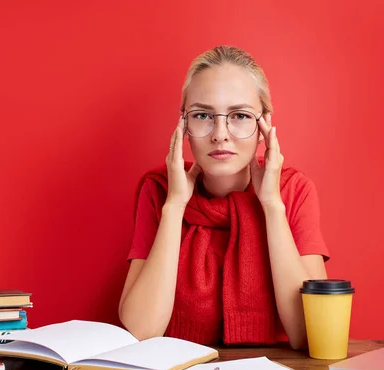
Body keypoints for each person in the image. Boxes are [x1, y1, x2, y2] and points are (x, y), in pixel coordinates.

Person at [118, 46, 329, 349]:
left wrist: (271, 205)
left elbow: (308, 334)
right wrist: (175, 206)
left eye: (240, 115)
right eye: (202, 115)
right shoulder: (159, 190)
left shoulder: (294, 191)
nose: (220, 133)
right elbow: (141, 331)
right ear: (184, 126)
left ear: (263, 127)